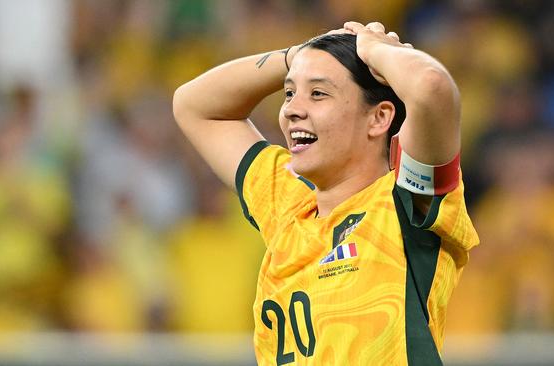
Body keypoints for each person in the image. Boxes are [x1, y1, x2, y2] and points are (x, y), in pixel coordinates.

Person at [173, 21, 479, 365]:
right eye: (289, 93)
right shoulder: (287, 204)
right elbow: (193, 105)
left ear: (379, 118)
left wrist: (374, 48)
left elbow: (431, 86)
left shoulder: (407, 204)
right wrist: (301, 56)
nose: (291, 110)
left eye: (318, 94)